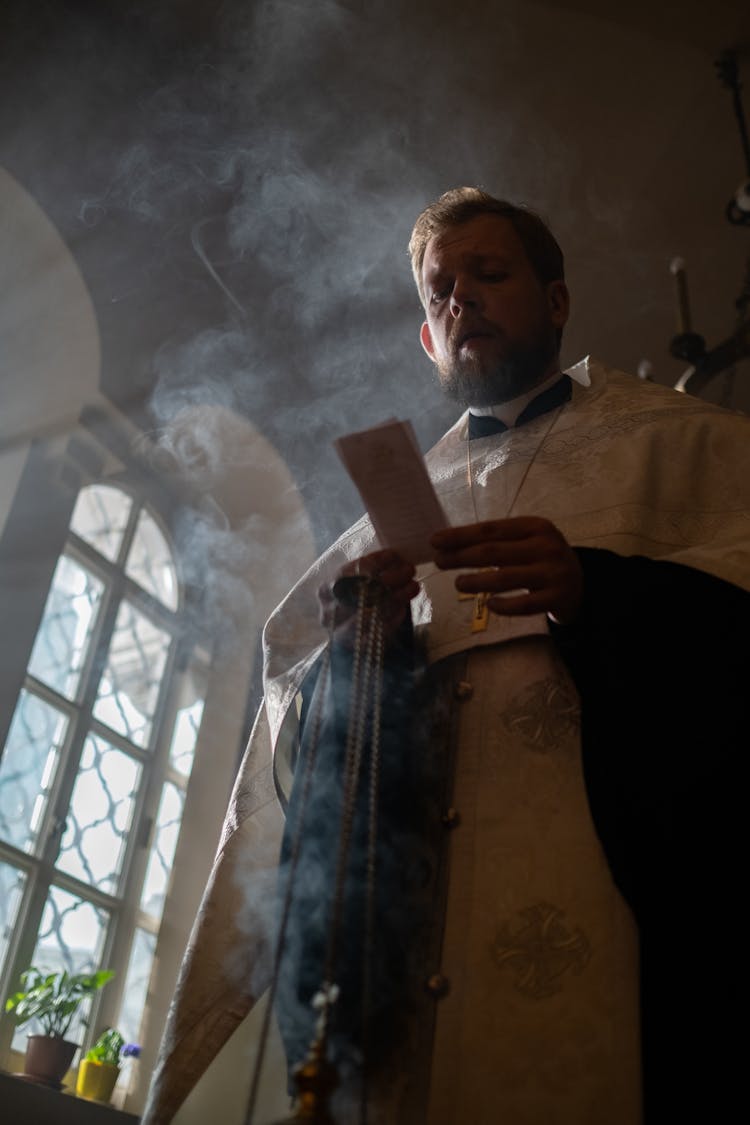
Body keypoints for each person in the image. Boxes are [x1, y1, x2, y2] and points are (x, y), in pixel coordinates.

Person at [143, 188, 750, 1125]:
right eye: (439, 293)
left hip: (609, 906)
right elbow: (289, 748)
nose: (460, 298)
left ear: (554, 300)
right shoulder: (365, 532)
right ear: (428, 341)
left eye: (489, 274)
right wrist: (356, 656)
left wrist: (603, 593)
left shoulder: (690, 448)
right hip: (405, 933)